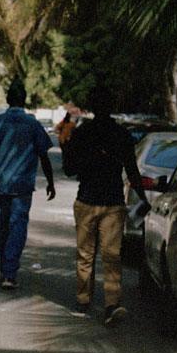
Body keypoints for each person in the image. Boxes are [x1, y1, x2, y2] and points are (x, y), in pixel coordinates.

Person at [63, 93, 150, 325]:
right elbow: (132, 171)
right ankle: (112, 303)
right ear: (112, 107)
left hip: (87, 200)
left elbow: (69, 169)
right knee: (112, 256)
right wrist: (143, 198)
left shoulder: (82, 134)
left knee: (85, 254)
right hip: (112, 203)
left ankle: (83, 299)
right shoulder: (121, 135)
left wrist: (83, 156)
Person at [0, 78, 56, 289]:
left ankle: (5, 266)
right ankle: (9, 272)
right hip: (23, 187)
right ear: (24, 100)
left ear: (7, 99)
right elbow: (44, 155)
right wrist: (50, 183)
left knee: (2, 226)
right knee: (18, 227)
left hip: (2, 184)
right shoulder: (32, 124)